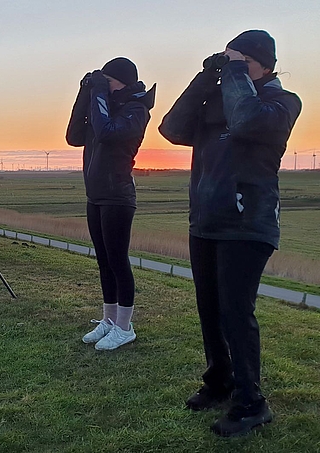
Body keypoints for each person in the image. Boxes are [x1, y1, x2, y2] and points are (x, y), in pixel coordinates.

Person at [158, 30, 301, 437]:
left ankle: (251, 402)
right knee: (210, 309)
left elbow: (247, 120)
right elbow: (172, 129)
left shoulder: (281, 102)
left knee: (236, 313)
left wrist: (234, 73)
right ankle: (219, 381)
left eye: (241, 63)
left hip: (248, 221)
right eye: (228, 63)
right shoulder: (217, 98)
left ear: (264, 65)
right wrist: (204, 80)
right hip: (206, 219)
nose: (231, 71)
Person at [66, 57, 155, 350]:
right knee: (103, 261)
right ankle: (109, 319)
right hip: (96, 194)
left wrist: (100, 94)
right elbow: (74, 136)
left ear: (122, 82)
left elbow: (106, 133)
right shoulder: (103, 104)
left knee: (118, 261)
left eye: (108, 81)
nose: (104, 87)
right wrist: (86, 93)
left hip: (118, 195)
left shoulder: (136, 110)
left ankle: (124, 327)